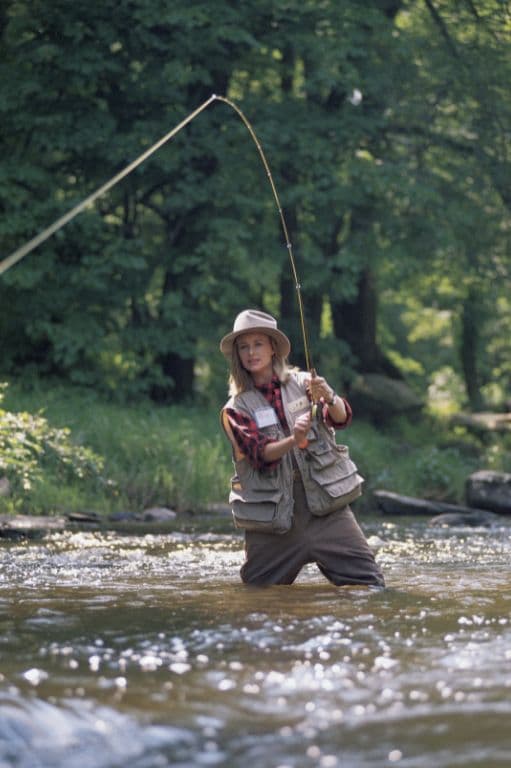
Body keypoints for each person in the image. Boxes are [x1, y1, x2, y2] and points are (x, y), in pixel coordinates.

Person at [219, 308, 385, 588]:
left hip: (327, 513)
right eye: (244, 347)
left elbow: (341, 417)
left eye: (258, 343)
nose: (251, 352)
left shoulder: (305, 382)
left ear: (273, 348)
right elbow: (260, 456)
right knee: (256, 600)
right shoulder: (235, 409)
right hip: (273, 525)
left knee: (371, 588)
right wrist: (293, 440)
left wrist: (330, 397)